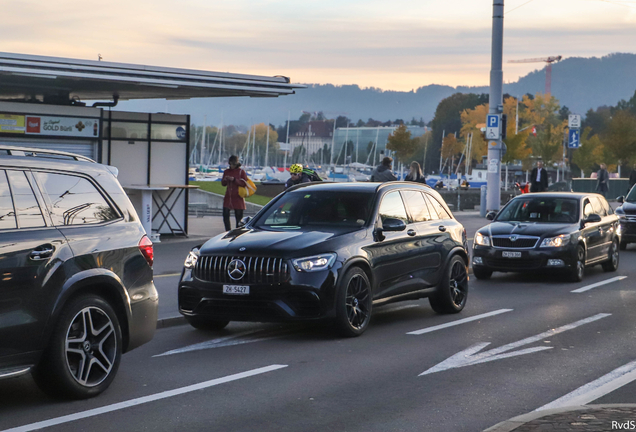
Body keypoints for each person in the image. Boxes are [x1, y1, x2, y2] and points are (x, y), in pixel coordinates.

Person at [221, 155, 248, 231]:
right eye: (230, 164)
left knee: (239, 216)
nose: (231, 166)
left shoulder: (241, 172)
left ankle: (238, 231)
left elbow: (244, 183)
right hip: (228, 196)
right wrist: (226, 179)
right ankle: (227, 230)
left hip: (238, 196)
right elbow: (223, 184)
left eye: (233, 164)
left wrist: (234, 180)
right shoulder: (226, 171)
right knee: (225, 214)